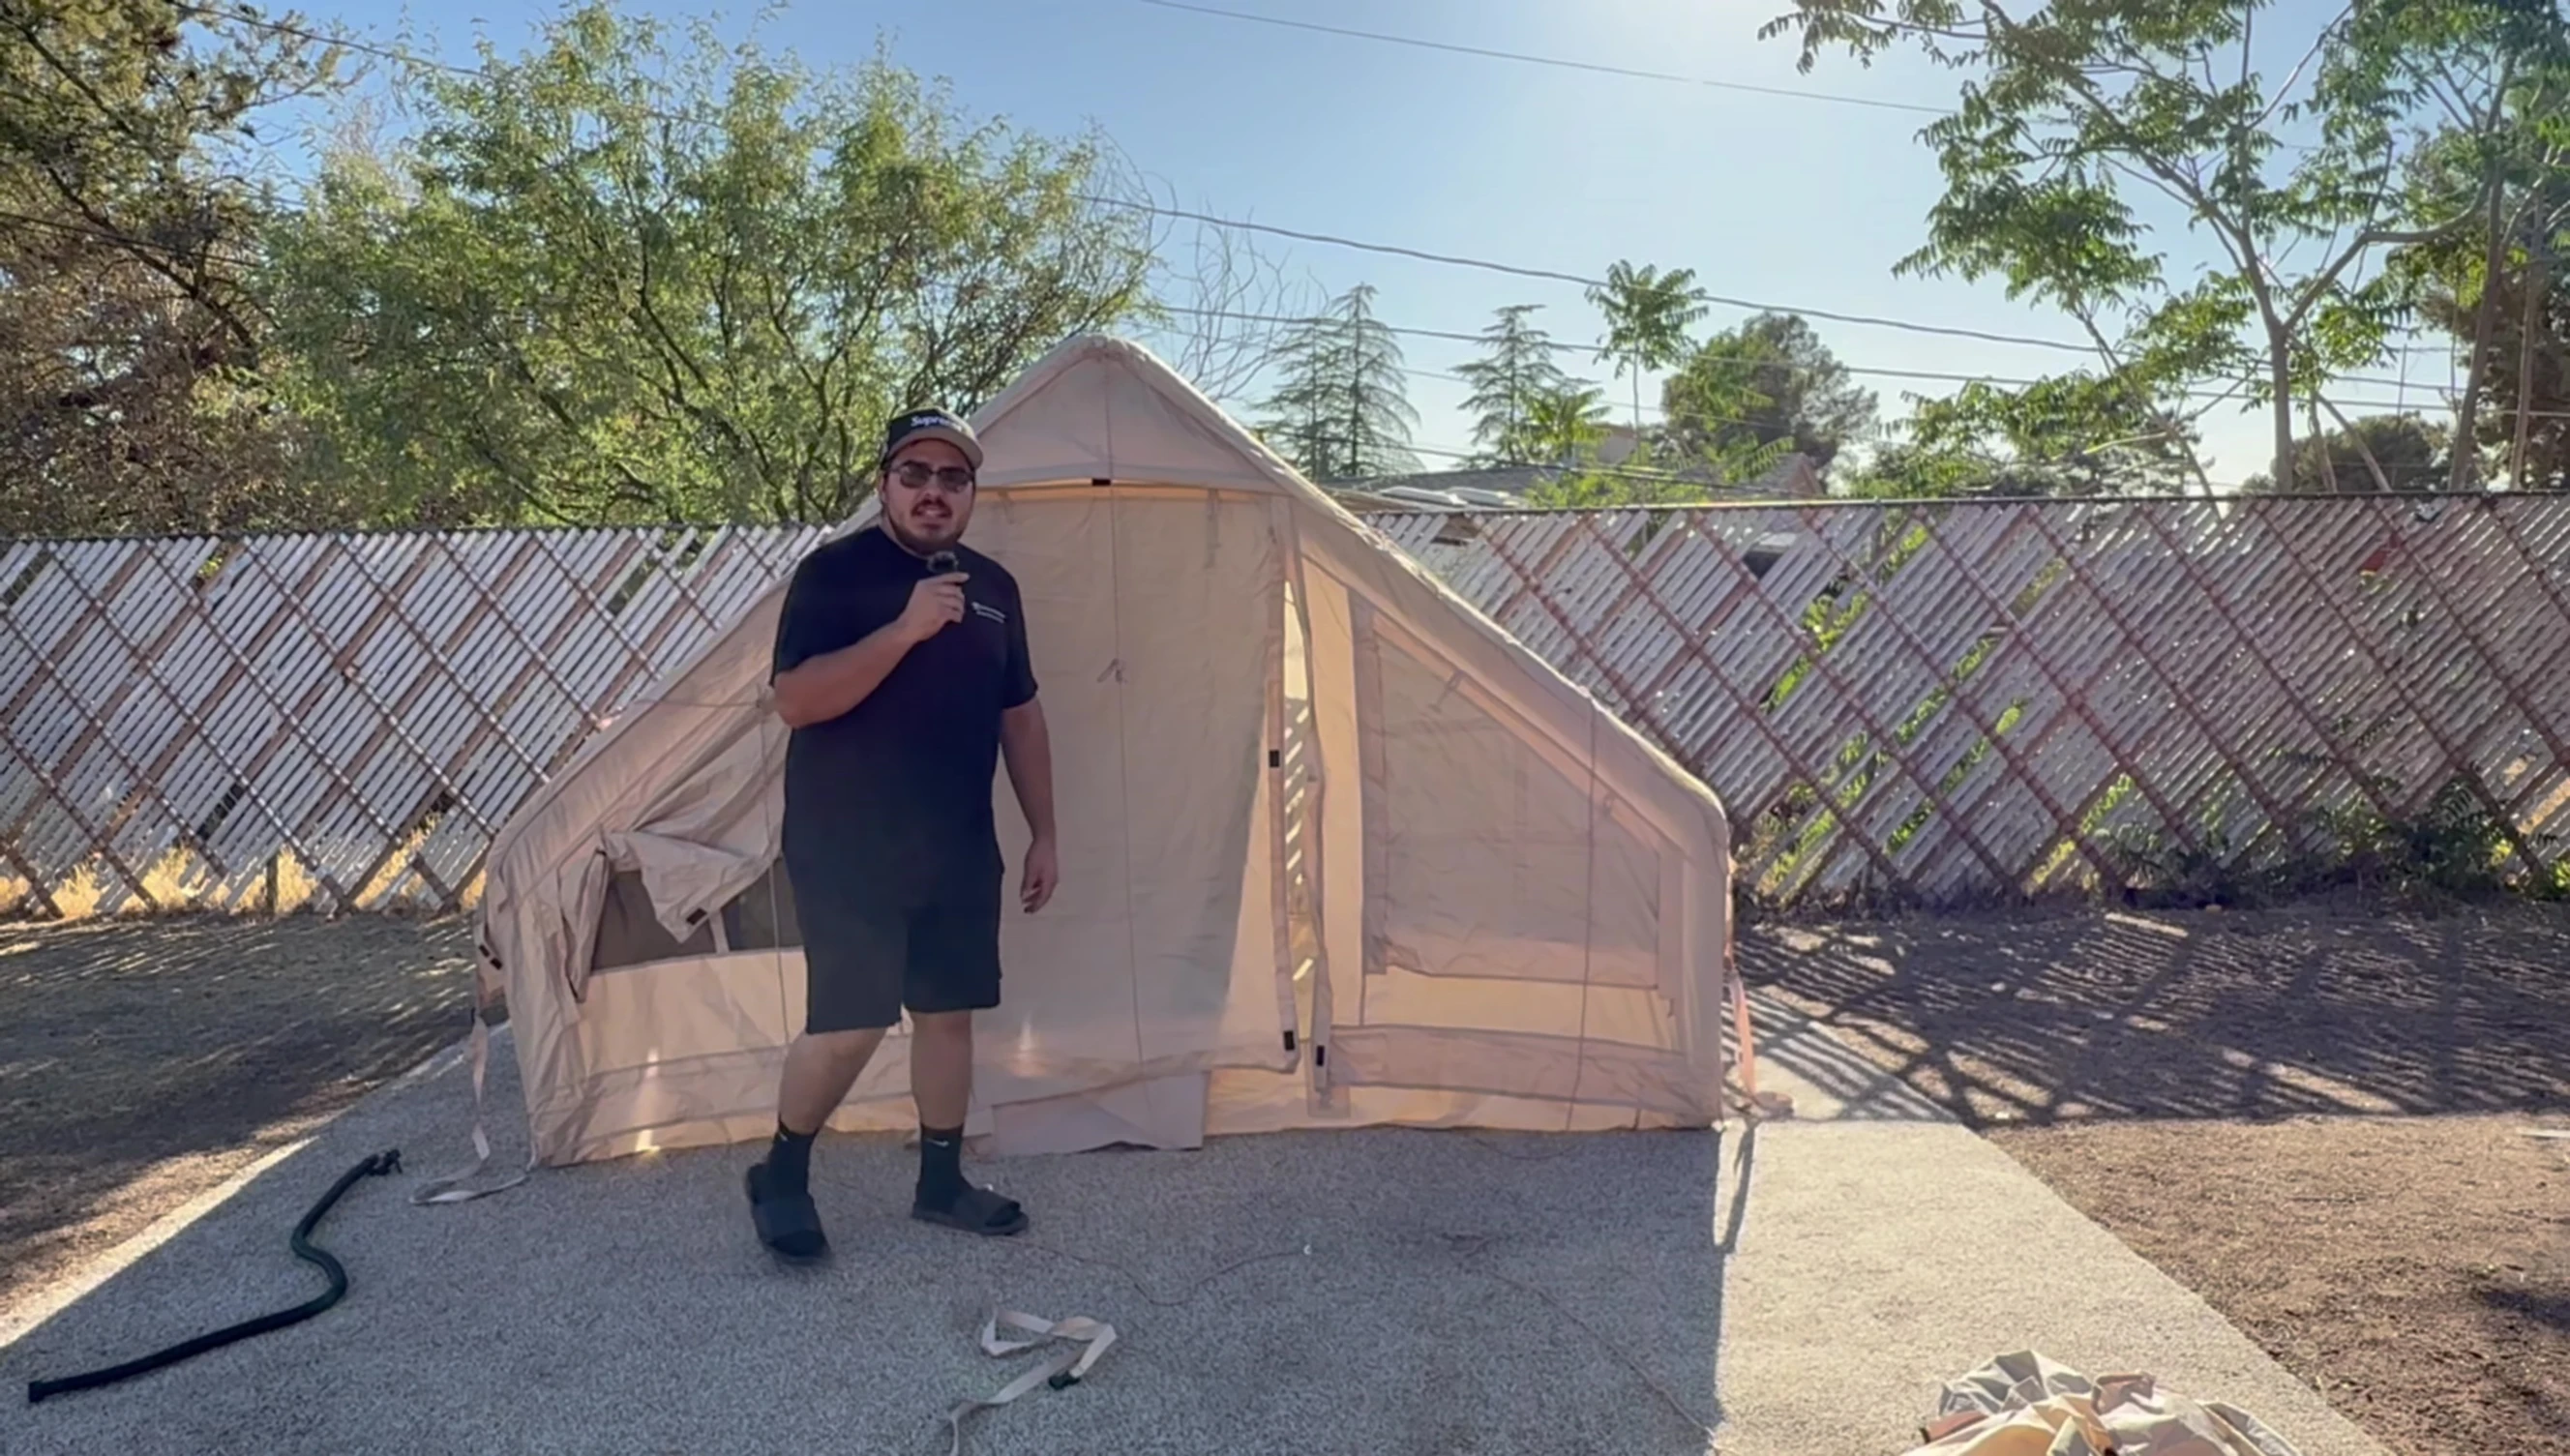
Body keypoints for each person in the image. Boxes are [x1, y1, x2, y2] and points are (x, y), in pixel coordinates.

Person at [743, 406, 1058, 1263]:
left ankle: (941, 1183)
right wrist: (904, 629)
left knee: (948, 1015)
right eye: (914, 474)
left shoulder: (995, 589)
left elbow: (1021, 715)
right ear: (883, 484)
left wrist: (1045, 831)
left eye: (952, 477)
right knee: (849, 1023)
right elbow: (796, 701)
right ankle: (780, 1174)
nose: (933, 492)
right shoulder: (833, 576)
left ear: (971, 493)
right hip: (847, 847)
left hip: (957, 844)